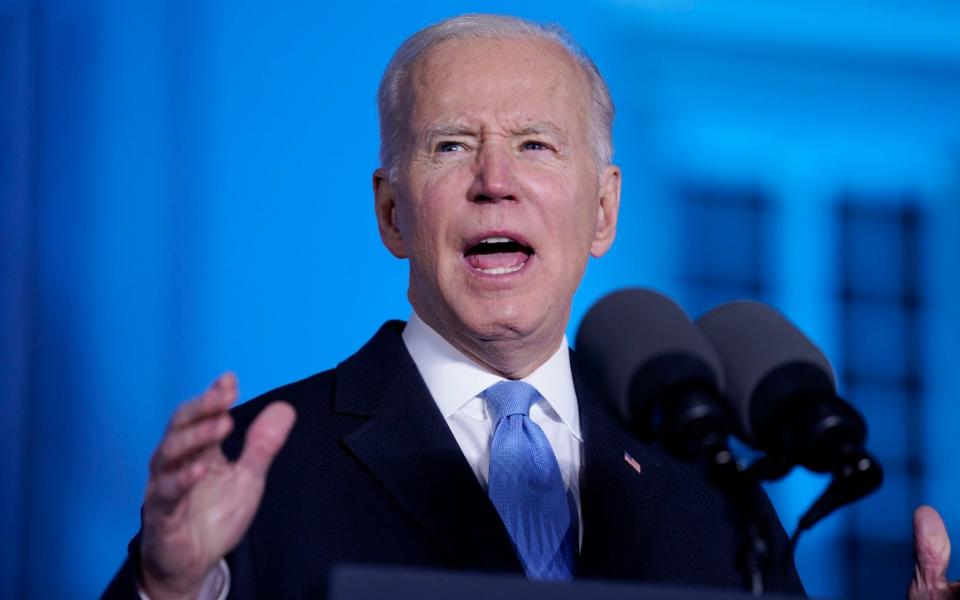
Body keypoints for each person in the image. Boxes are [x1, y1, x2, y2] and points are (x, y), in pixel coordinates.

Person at [103, 13, 958, 600]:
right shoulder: (261, 468)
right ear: (392, 213)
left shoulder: (710, 485)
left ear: (603, 211)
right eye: (451, 146)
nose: (495, 182)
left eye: (535, 145)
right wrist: (170, 588)